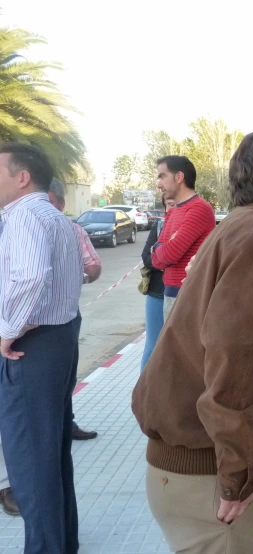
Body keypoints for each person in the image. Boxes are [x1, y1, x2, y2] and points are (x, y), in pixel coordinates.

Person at [132, 129, 253, 554]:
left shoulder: (246, 226)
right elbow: (238, 363)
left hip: (201, 468)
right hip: (212, 478)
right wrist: (237, 477)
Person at [0, 143, 83, 554]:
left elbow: (31, 277)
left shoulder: (24, 215)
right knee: (50, 455)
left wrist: (7, 331)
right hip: (59, 337)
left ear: (22, 177)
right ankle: (62, 542)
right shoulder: (52, 214)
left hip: (33, 346)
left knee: (31, 463)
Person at [48, 178, 99, 441]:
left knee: (64, 379)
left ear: (61, 203)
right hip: (19, 324)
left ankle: (66, 426)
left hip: (61, 320)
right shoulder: (11, 226)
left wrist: (77, 276)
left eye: (50, 204)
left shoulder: (72, 230)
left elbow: (93, 268)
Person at [151, 155, 215, 320]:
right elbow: (156, 261)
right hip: (171, 293)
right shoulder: (174, 211)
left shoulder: (199, 209)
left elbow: (170, 254)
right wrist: (161, 248)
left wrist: (159, 247)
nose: (159, 184)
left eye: (162, 176)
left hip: (189, 295)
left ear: (179, 177)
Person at [140, 197, 176, 370]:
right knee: (153, 344)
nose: (173, 207)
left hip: (181, 295)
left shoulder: (193, 226)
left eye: (177, 203)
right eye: (169, 204)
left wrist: (160, 254)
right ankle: (142, 393)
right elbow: (146, 257)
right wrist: (166, 259)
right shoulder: (160, 227)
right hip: (157, 293)